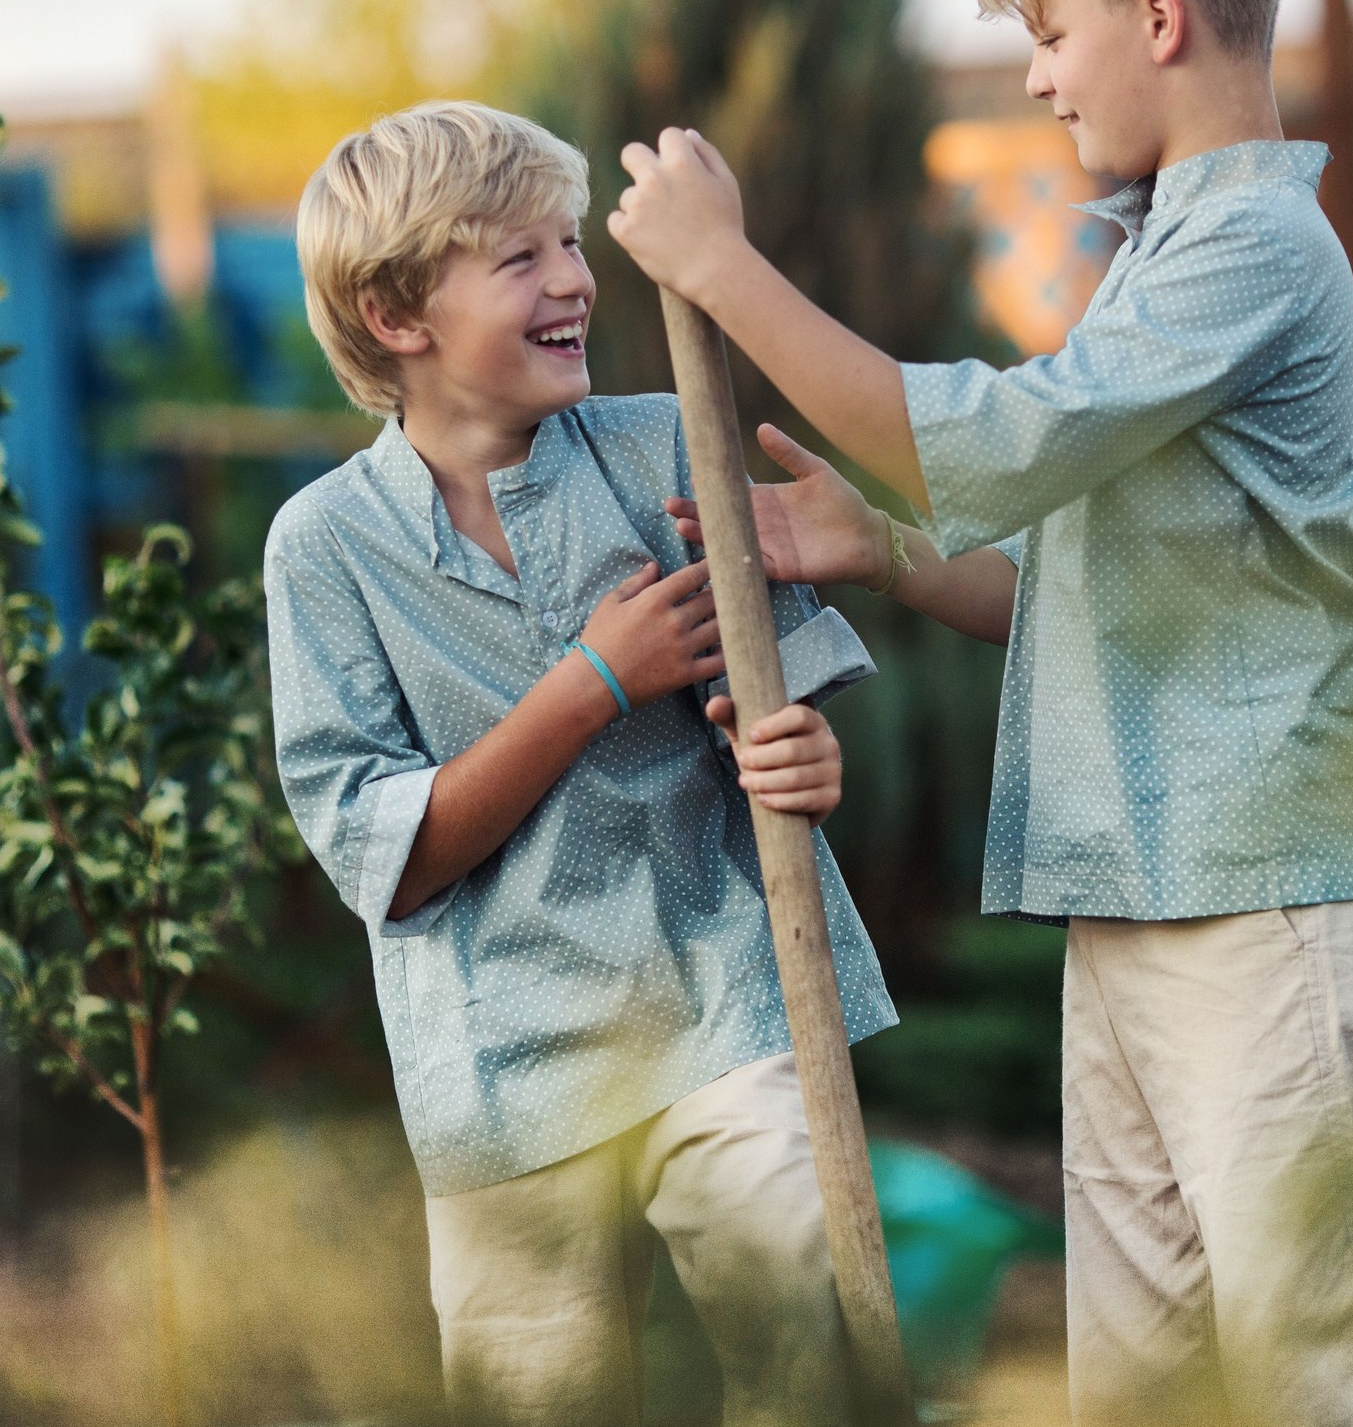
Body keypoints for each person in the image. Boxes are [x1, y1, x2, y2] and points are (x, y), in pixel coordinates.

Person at [609, 0, 1353, 1427]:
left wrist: (723, 270)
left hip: (1272, 894)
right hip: (1139, 892)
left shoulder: (1259, 253)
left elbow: (1001, 441)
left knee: (1337, 1368)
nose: (1034, 72)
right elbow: (1069, 582)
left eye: (1050, 28)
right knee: (1145, 1381)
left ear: (1159, 15)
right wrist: (880, 548)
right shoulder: (1156, 257)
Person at [264, 100, 895, 1427]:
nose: (573, 278)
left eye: (569, 241)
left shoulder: (662, 442)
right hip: (503, 1072)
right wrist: (596, 681)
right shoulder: (324, 547)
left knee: (809, 1350)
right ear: (396, 316)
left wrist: (800, 756)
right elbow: (399, 858)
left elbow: (776, 702)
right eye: (519, 258)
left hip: (718, 995)